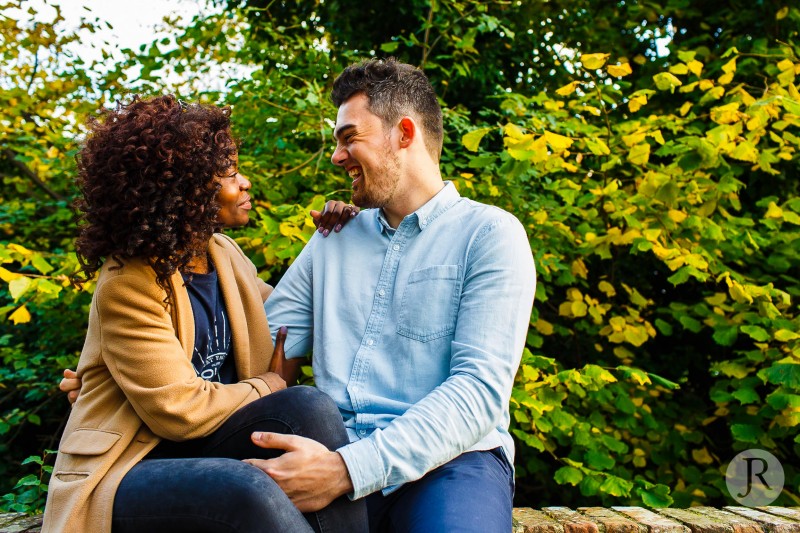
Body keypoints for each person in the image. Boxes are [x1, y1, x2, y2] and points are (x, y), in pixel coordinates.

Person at [44, 95, 367, 533]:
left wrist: (345, 236)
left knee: (308, 405)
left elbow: (297, 313)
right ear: (187, 189)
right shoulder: (129, 280)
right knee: (244, 487)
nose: (245, 182)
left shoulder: (223, 255)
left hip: (208, 445)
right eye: (231, 174)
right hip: (128, 465)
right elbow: (178, 409)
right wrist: (266, 384)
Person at [246, 58, 536, 533]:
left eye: (348, 138)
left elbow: (479, 394)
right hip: (326, 447)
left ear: (404, 133)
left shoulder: (489, 234)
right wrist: (109, 372)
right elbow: (258, 342)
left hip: (452, 463)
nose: (337, 157)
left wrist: (347, 471)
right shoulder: (332, 239)